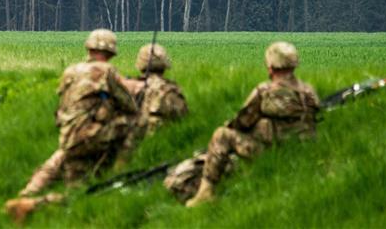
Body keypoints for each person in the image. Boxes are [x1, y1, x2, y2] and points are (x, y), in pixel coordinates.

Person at [5, 29, 137, 223]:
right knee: (134, 122)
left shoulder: (71, 71)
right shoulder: (107, 71)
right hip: (91, 136)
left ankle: (26, 197)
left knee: (70, 177)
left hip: (67, 135)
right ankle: (120, 169)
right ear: (110, 52)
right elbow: (129, 105)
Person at [185, 41, 320, 207]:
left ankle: (206, 193)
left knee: (222, 135)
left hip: (272, 151)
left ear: (270, 67)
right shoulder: (309, 90)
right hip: (304, 149)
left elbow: (242, 122)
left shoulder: (265, 91)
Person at [119, 43, 188, 162]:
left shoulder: (128, 87)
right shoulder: (170, 91)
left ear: (141, 64)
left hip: (128, 148)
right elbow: (183, 119)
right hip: (162, 147)